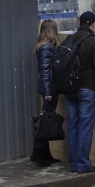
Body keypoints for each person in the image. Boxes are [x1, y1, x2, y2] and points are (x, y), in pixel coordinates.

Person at [65, 11, 95, 173]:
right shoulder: (93, 42)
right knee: (85, 127)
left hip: (70, 90)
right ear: (92, 24)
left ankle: (74, 164)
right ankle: (83, 164)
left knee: (73, 126)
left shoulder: (69, 39)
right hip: (88, 89)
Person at [31, 19, 61, 167]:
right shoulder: (47, 47)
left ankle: (44, 154)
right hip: (49, 88)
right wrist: (49, 91)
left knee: (46, 119)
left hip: (49, 87)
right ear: (51, 30)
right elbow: (45, 71)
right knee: (45, 121)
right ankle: (38, 154)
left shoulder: (46, 46)